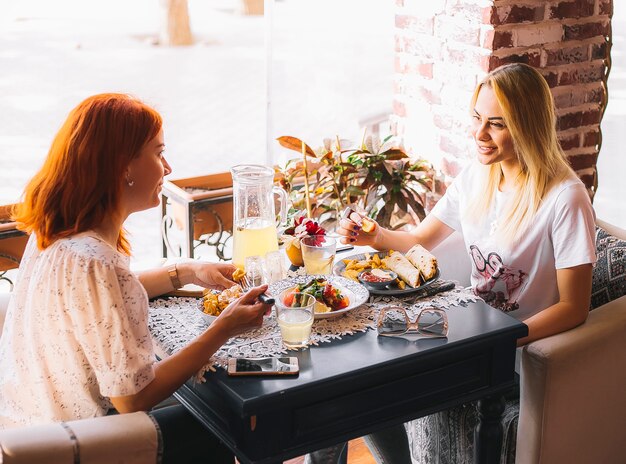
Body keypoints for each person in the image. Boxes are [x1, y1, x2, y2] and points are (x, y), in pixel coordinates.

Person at [333, 62, 597, 462]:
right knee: (355, 380)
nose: (479, 134)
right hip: (464, 331)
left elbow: (574, 308)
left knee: (371, 386)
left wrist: (500, 340)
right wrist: (376, 236)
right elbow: (421, 241)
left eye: (497, 123)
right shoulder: (478, 176)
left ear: (528, 126)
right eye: (477, 118)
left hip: (513, 354)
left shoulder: (565, 199)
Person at [0, 93, 272, 463]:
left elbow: (96, 300)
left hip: (27, 426)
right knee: (230, 416)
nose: (168, 168)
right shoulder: (98, 263)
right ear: (123, 166)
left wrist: (186, 271)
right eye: (159, 153)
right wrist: (223, 328)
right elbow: (132, 398)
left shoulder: (57, 233)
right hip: (83, 442)